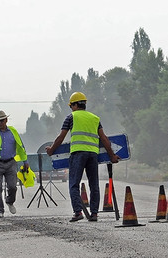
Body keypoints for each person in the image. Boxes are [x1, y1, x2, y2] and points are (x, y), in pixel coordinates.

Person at [46, 91, 119, 222]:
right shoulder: (95, 118)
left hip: (78, 153)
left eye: (70, 106)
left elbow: (60, 137)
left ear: (74, 105)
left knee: (74, 184)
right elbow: (104, 139)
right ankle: (94, 213)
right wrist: (112, 155)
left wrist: (51, 150)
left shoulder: (71, 117)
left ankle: (78, 212)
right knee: (94, 184)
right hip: (93, 154)